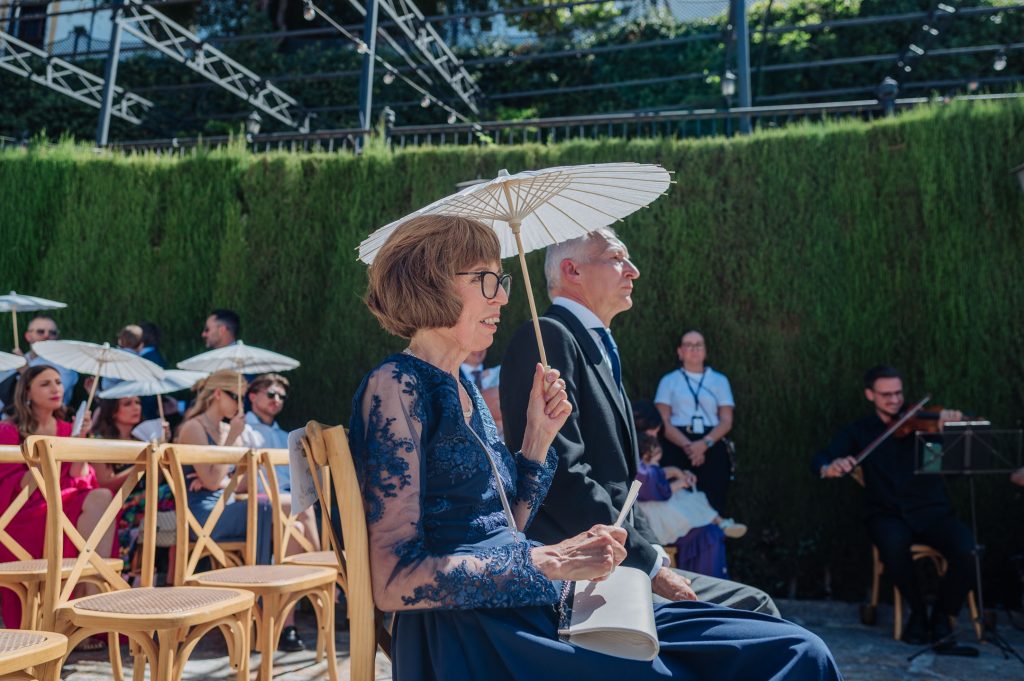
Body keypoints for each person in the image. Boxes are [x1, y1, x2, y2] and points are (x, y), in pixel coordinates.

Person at [354, 215, 840, 680]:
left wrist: (537, 439)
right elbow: (394, 580)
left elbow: (504, 525)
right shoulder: (398, 384)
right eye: (486, 280)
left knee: (794, 648)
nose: (502, 296)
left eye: (502, 280)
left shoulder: (463, 387)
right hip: (479, 634)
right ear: (432, 283)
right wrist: (549, 561)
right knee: (788, 655)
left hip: (527, 604)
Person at [501, 228, 777, 616]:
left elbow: (623, 486)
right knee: (757, 609)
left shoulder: (593, 343)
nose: (633, 271)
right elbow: (562, 475)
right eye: (617, 259)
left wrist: (655, 555)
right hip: (580, 575)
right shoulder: (548, 337)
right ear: (572, 271)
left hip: (623, 559)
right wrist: (650, 566)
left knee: (757, 608)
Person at [813, 365, 973, 645]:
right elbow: (822, 458)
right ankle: (918, 614)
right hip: (887, 514)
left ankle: (942, 617)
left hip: (932, 512)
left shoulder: (925, 427)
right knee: (893, 547)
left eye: (898, 393)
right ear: (870, 395)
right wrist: (830, 467)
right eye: (886, 394)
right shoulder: (860, 431)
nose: (895, 400)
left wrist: (947, 434)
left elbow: (952, 474)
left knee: (968, 550)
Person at [173, 370, 300, 650]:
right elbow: (211, 481)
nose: (241, 406)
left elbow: (243, 482)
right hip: (203, 514)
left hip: (227, 505)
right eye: (236, 398)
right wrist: (228, 446)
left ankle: (277, 615)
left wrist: (221, 479)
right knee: (271, 507)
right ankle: (262, 606)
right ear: (218, 394)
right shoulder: (194, 428)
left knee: (294, 526)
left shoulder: (232, 430)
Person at [0, 365, 113, 629]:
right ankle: (69, 613)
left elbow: (79, 478)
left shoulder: (68, 427)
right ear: (27, 392)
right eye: (45, 384)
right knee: (69, 509)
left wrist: (79, 439)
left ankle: (92, 607)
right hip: (26, 509)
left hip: (65, 501)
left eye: (58, 382)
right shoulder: (9, 431)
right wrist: (49, 453)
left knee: (101, 497)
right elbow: (17, 487)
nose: (55, 389)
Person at [636, 432, 746, 579]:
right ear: (645, 456)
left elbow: (656, 479)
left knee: (694, 503)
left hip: (660, 512)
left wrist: (677, 474)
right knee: (692, 505)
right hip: (657, 518)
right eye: (655, 461)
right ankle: (720, 522)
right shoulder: (641, 473)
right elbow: (654, 487)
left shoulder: (646, 471)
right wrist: (680, 481)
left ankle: (719, 521)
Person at [91, 396, 174, 580]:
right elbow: (104, 482)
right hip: (115, 502)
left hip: (145, 500)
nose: (135, 407)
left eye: (137, 402)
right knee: (168, 496)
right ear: (113, 410)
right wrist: (141, 465)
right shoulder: (100, 440)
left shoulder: (142, 439)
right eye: (127, 404)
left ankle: (171, 573)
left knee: (172, 493)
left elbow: (157, 480)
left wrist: (161, 449)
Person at [241, 374, 320, 562]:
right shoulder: (242, 430)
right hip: (258, 499)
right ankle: (325, 567)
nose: (276, 399)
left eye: (281, 396)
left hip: (286, 498)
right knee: (304, 505)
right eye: (271, 394)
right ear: (252, 396)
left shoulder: (287, 436)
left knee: (298, 526)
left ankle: (302, 577)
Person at [654, 330, 735, 513]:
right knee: (678, 500)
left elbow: (726, 420)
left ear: (705, 350)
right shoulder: (669, 381)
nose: (694, 349)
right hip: (677, 444)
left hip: (711, 443)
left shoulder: (720, 380)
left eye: (698, 344)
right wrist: (689, 446)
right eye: (688, 345)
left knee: (714, 498)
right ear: (680, 351)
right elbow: (663, 420)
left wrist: (704, 444)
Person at [10, 315, 79, 406]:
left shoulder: (65, 365)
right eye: (40, 332)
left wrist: (25, 370)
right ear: (28, 336)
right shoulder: (18, 359)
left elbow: (52, 393)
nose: (46, 335)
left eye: (52, 333)